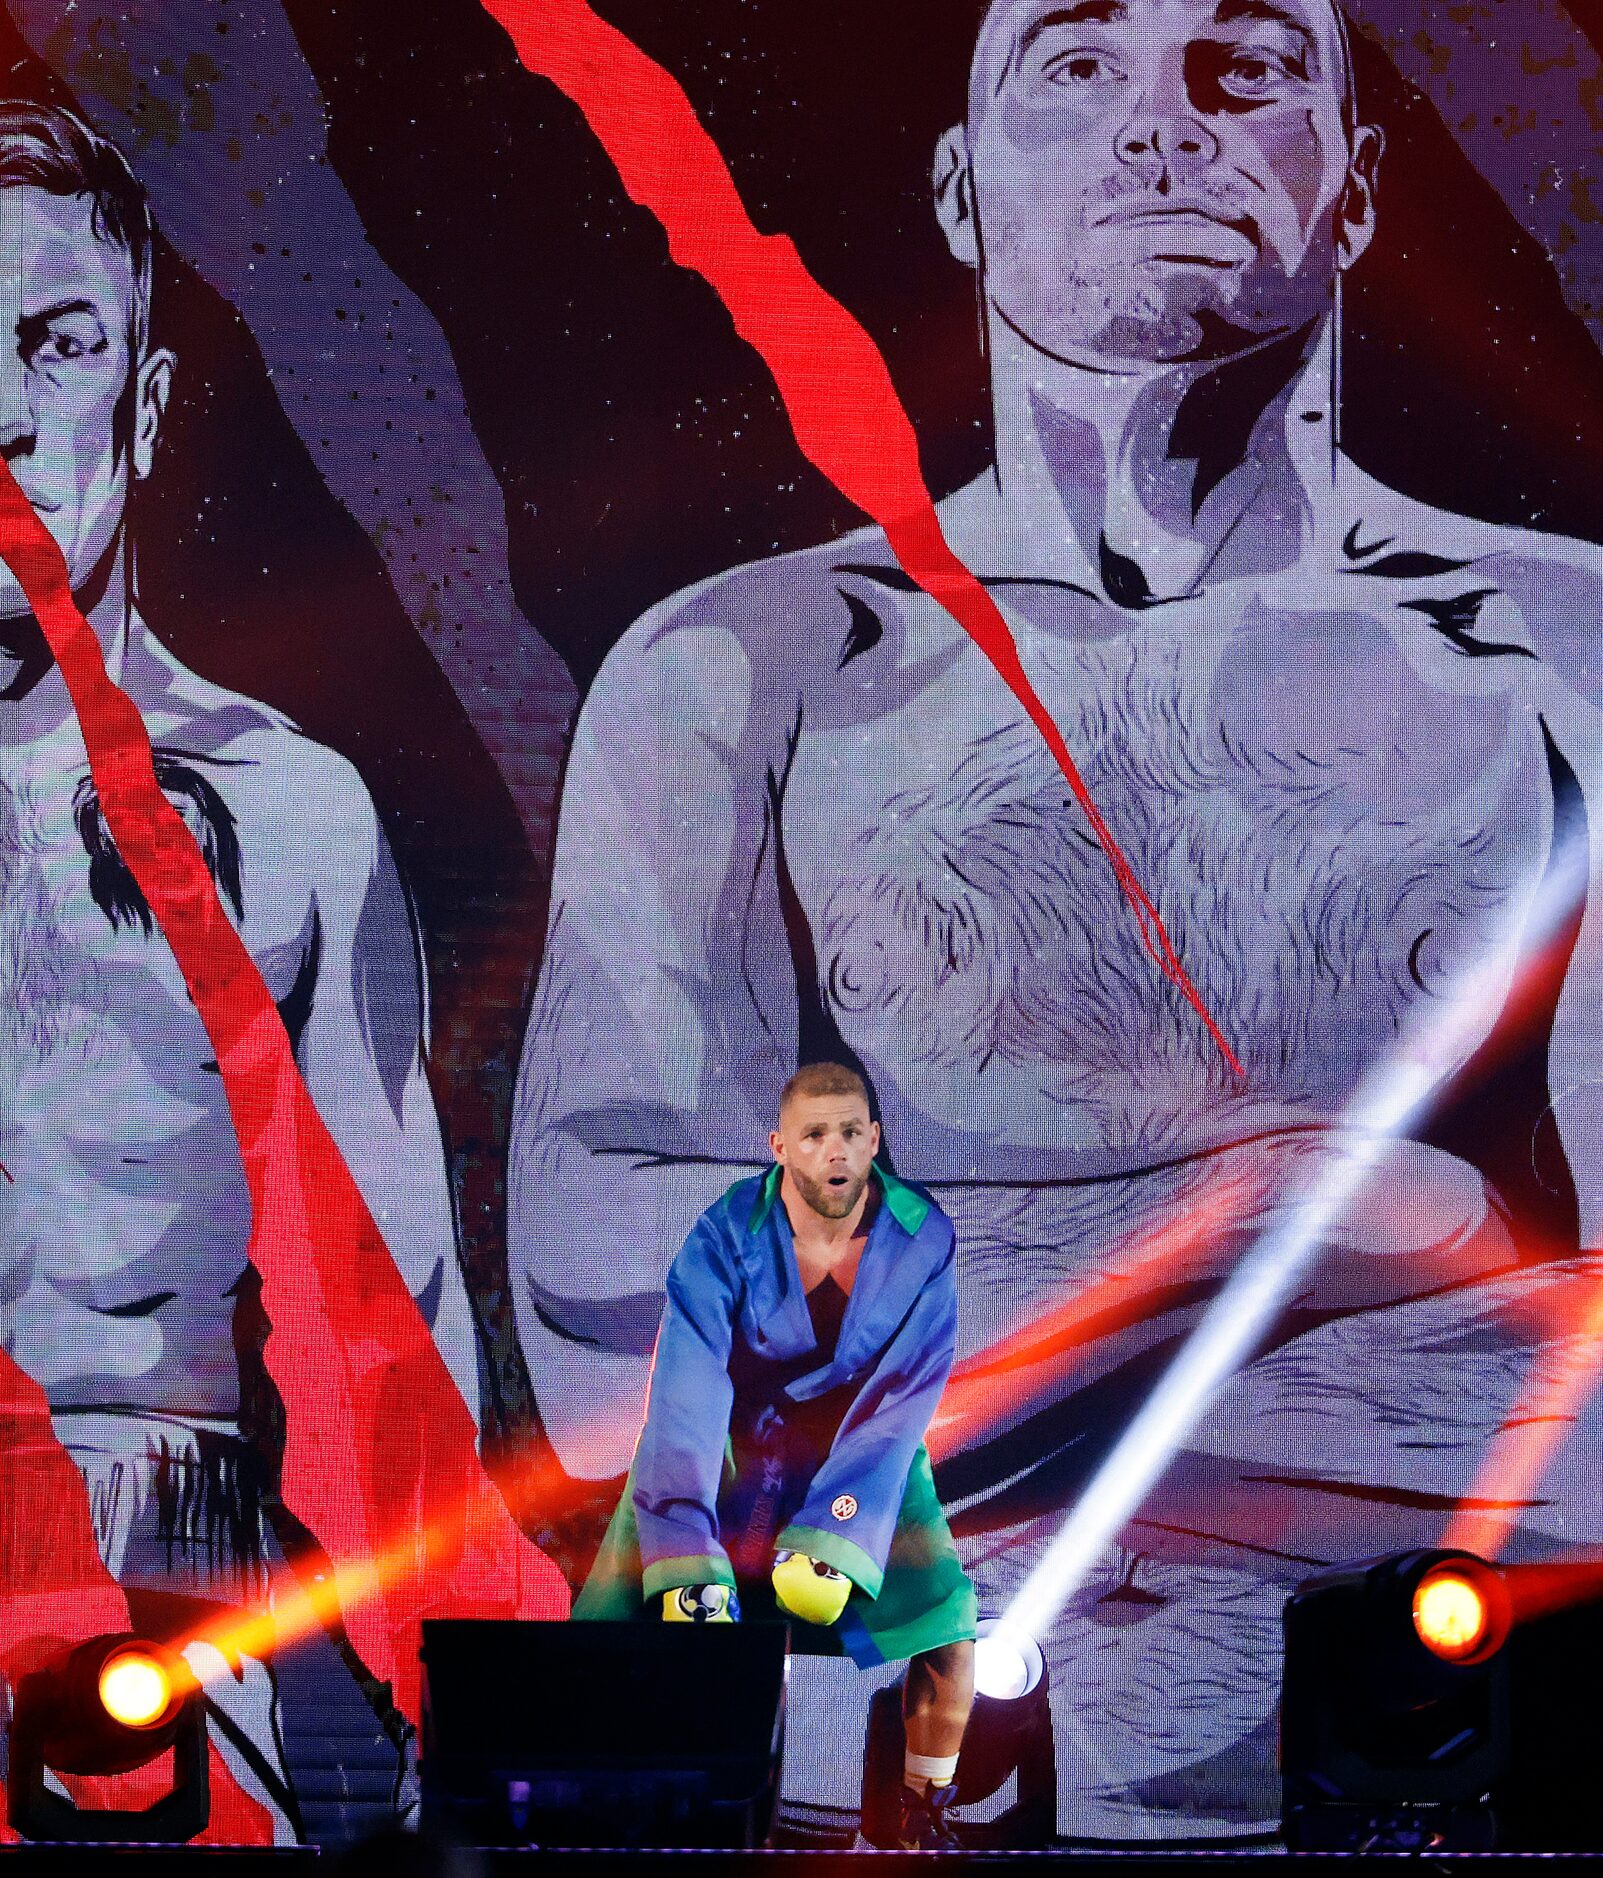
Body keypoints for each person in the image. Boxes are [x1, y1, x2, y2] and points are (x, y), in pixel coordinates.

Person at [510, 0, 1603, 1835]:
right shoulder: (739, 672)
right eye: (1075, 67)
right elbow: (621, 1376)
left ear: (1351, 189)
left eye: (1243, 66)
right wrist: (1300, 1214)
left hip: (1434, 1777)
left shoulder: (1565, 654)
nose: (1157, 125)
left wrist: (928, 1399)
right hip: (865, 1794)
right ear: (960, 190)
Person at [0, 100, 477, 1835]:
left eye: (55, 344)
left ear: (145, 400)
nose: (3, 416)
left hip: (173, 1584)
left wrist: (438, 1699)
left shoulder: (285, 814)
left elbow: (384, 1330)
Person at [575, 1063, 977, 1851]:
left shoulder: (921, 1236)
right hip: (724, 1450)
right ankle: (595, 1824)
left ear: (874, 1140)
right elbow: (685, 1390)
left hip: (866, 1449)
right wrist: (686, 1551)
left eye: (851, 1133)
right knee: (607, 1639)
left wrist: (839, 1527)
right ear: (780, 1146)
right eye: (816, 1135)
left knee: (947, 1636)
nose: (836, 1151)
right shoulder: (725, 1232)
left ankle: (920, 1818)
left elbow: (903, 1393)